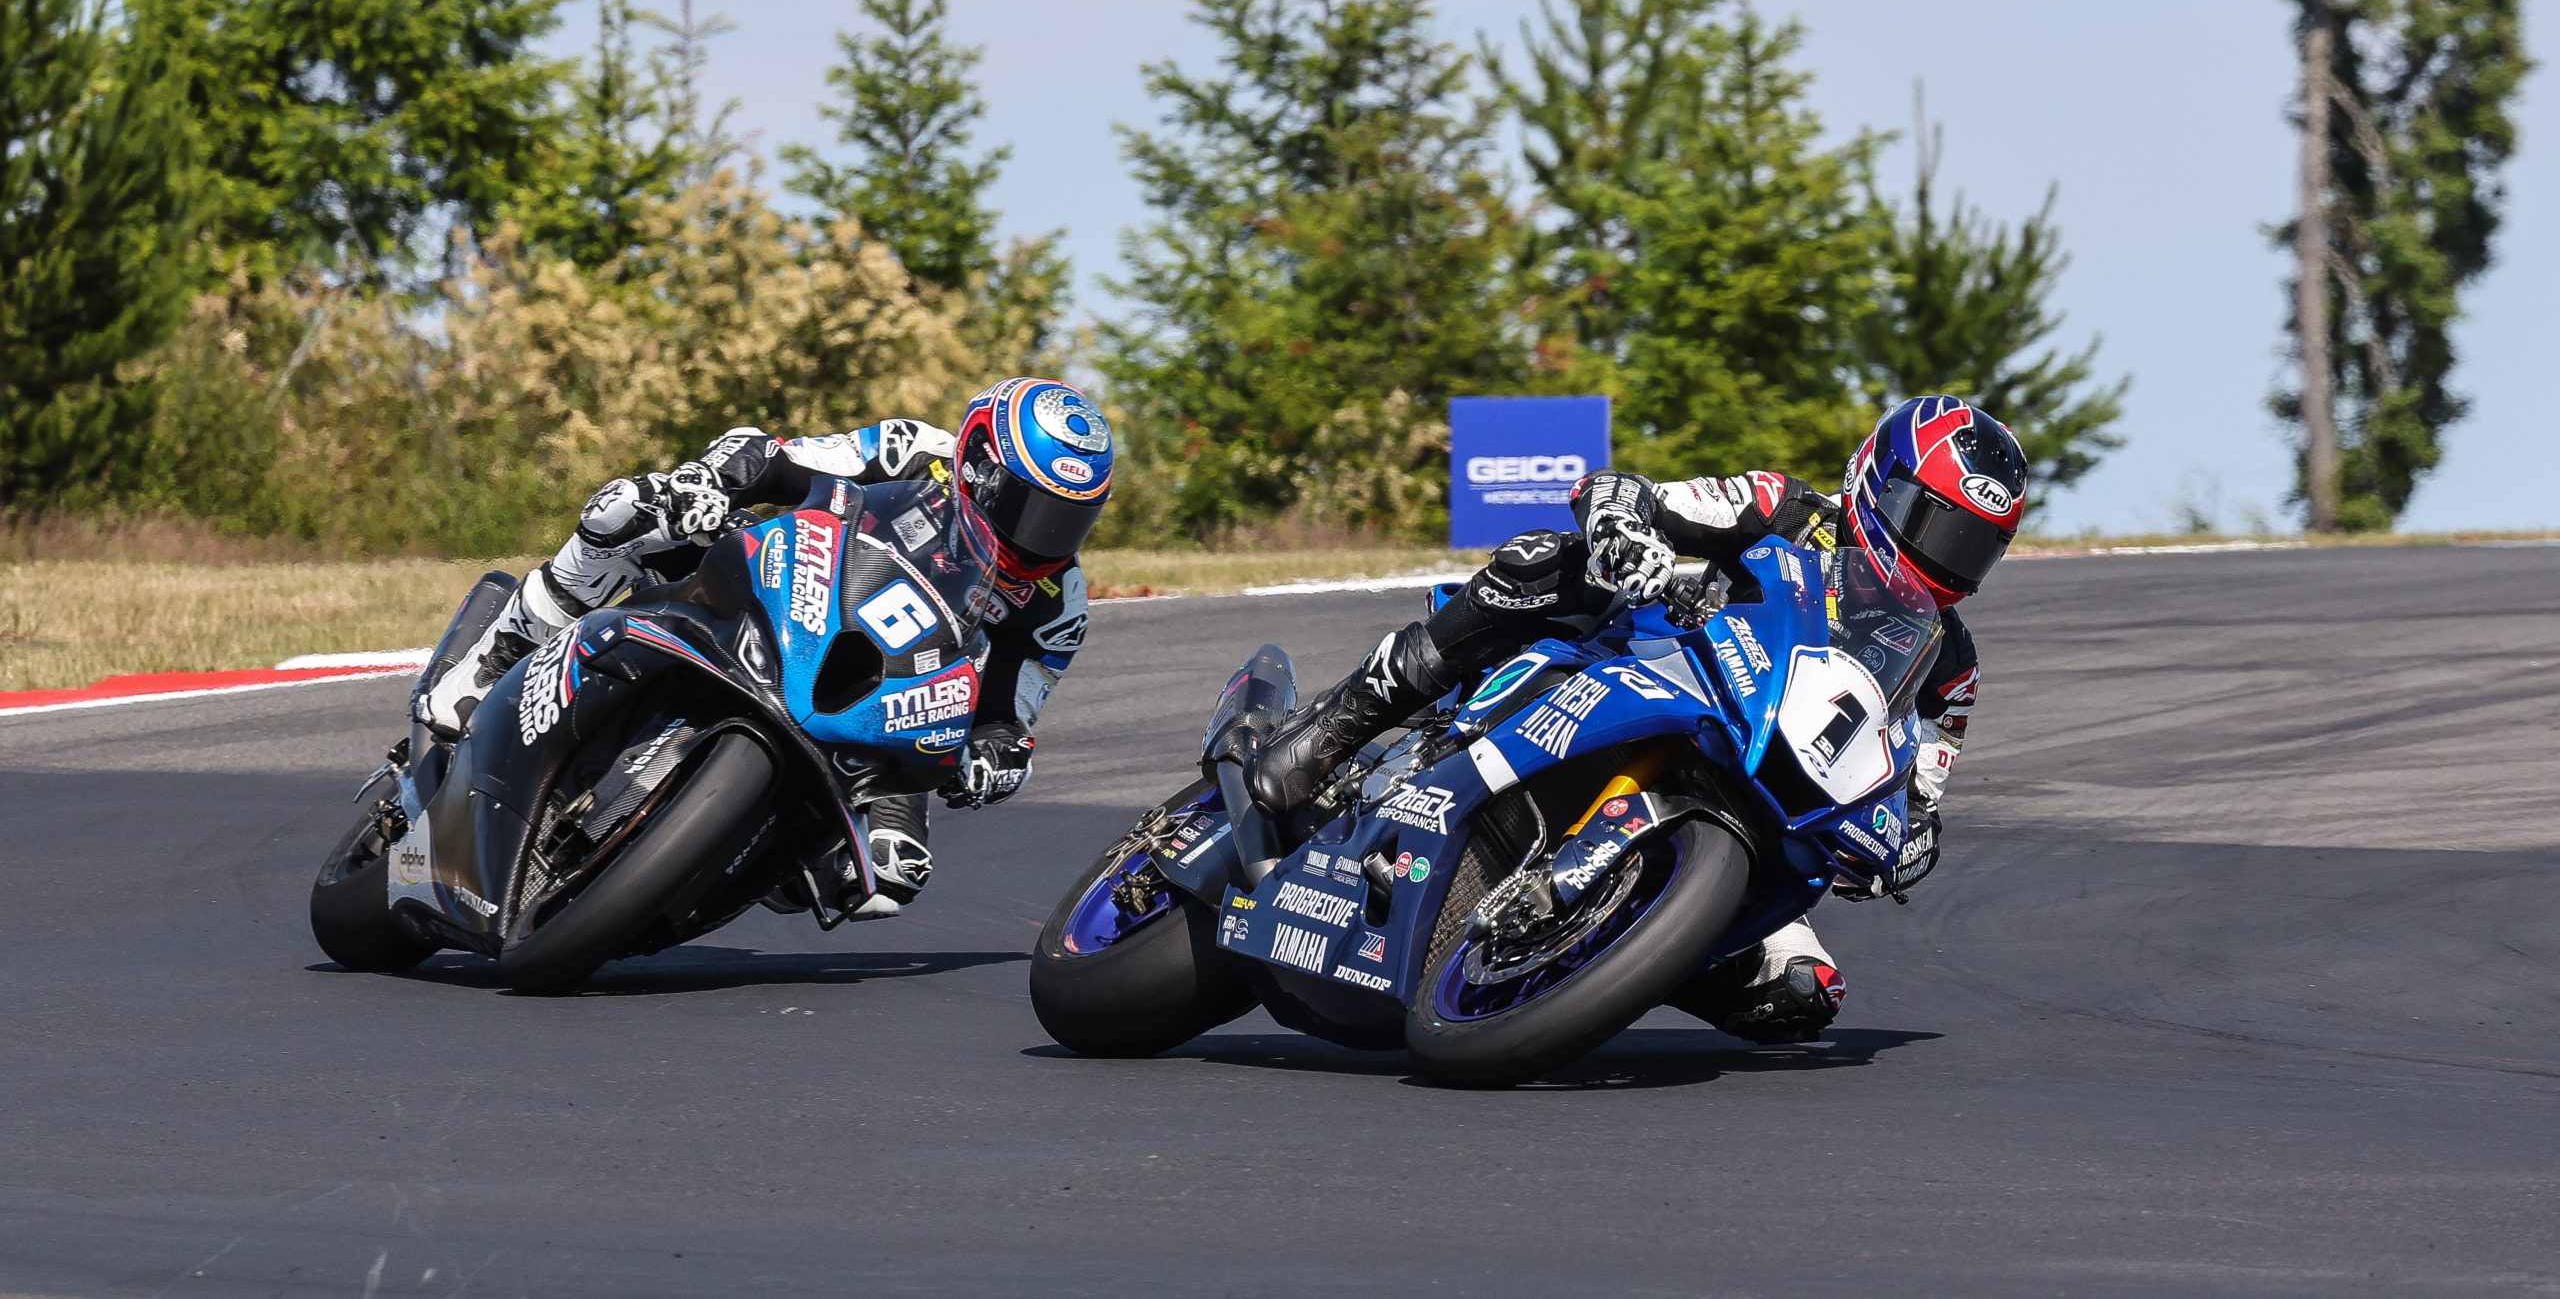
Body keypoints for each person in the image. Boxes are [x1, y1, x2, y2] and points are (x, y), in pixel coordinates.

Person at [1243, 395, 2025, 1042]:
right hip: (1652, 666)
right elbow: (1627, 491)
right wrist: (1626, 531)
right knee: (1548, 562)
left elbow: (1921, 790)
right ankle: (1338, 724)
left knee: (1801, 992)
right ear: (1878, 482)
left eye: (1975, 547)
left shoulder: (1950, 664)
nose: (1949, 560)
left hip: (1769, 786)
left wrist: (1910, 842)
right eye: (1938, 527)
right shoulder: (1783, 508)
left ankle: (1607, 957)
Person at [420, 377, 1114, 918]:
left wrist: (996, 760)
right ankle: (501, 653)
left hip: (881, 700)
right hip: (784, 586)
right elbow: (780, 458)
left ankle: (709, 864)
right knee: (624, 511)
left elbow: (1012, 716)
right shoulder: (914, 451)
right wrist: (709, 482)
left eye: (1069, 519)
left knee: (887, 876)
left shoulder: (1059, 602)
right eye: (1032, 507)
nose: (1046, 536)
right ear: (981, 466)